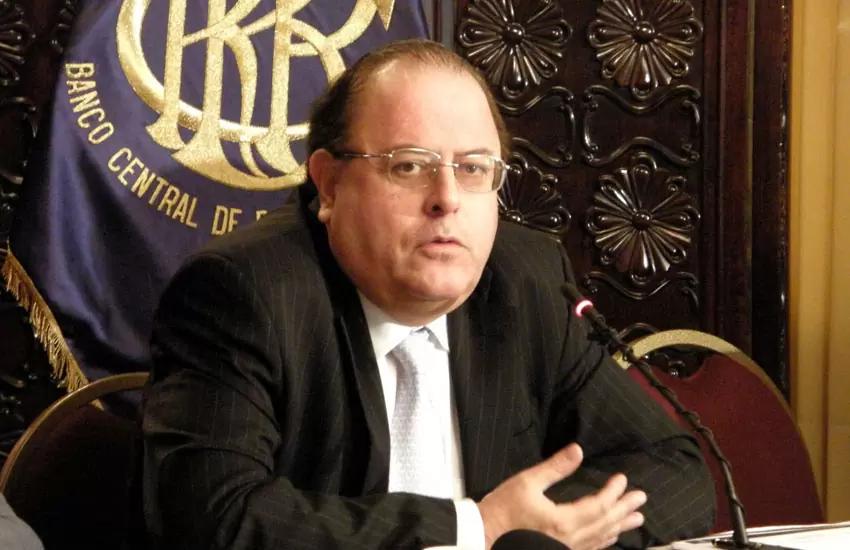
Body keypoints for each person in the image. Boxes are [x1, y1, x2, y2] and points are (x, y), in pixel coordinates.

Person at [142, 39, 715, 550]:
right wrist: (474, 530)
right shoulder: (244, 293)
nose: (447, 199)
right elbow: (215, 518)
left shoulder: (527, 281)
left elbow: (677, 471)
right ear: (329, 185)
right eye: (410, 166)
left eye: (473, 169)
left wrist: (537, 534)